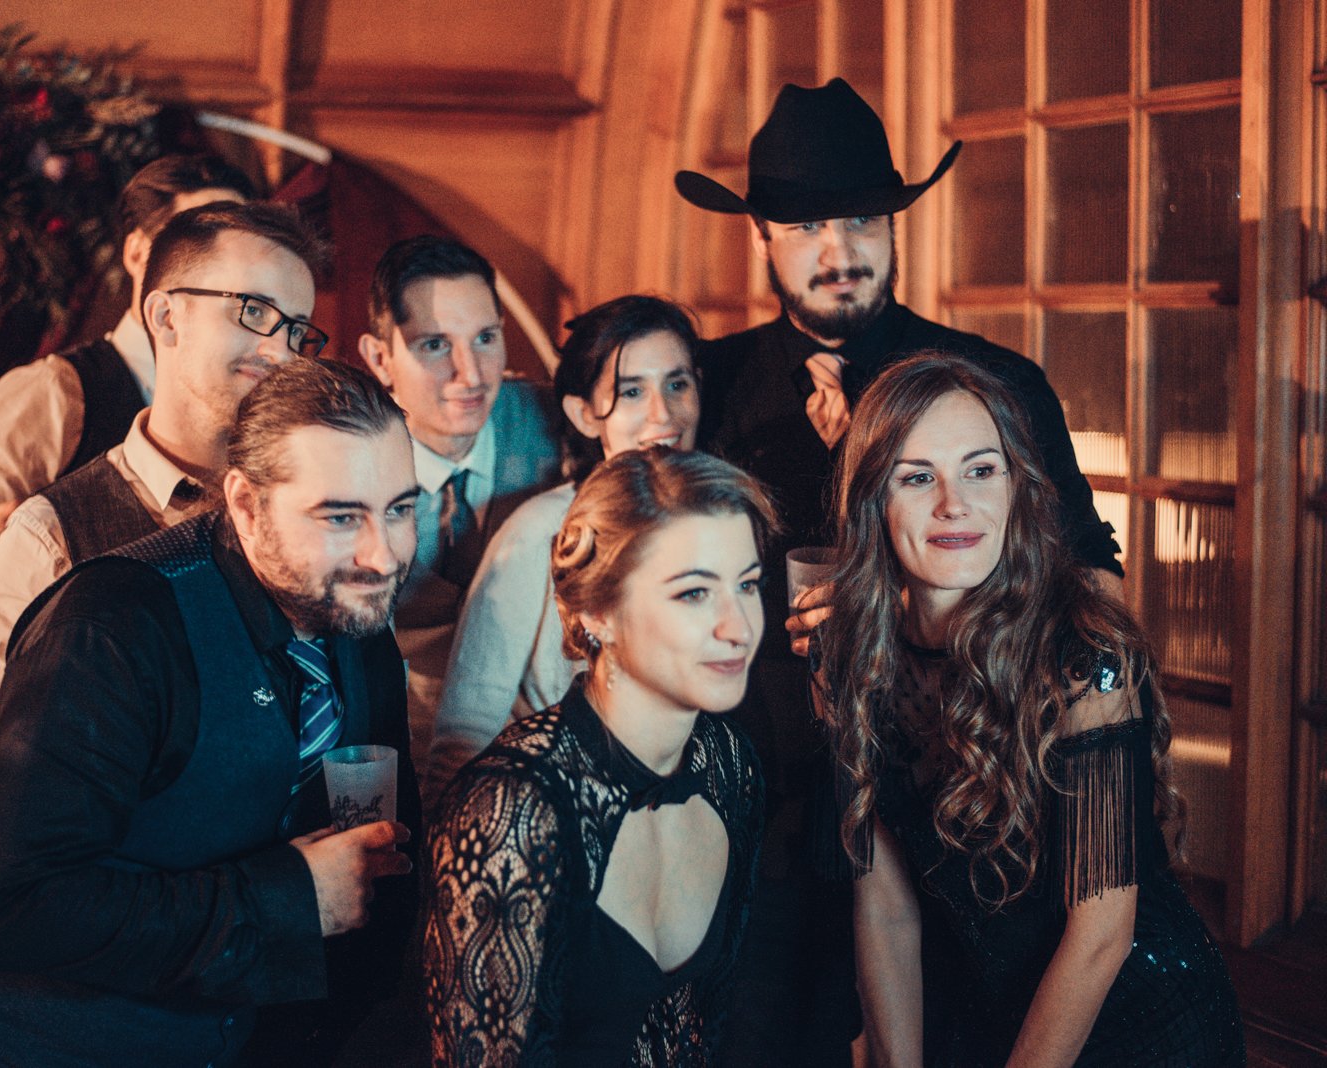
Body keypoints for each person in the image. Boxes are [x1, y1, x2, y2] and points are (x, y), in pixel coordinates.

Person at [674, 77, 1124, 1063]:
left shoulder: (996, 385)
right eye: (805, 226)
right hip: (755, 819)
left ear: (893, 225)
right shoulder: (702, 385)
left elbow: (1091, 592)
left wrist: (911, 604)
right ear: (759, 235)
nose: (838, 250)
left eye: (861, 220)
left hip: (951, 822)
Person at [0, 358, 422, 1067]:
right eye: (340, 516)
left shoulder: (359, 621)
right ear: (245, 506)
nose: (383, 555)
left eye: (400, 510)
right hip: (24, 1043)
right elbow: (12, 910)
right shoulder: (111, 628)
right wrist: (289, 899)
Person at [813, 353, 1242, 1066]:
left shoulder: (1085, 657)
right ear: (872, 502)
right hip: (983, 1012)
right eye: (917, 478)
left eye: (981, 470)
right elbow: (884, 907)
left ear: (1017, 487)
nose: (954, 504)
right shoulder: (846, 655)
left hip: (1134, 1018)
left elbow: (1100, 935)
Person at [0, 200, 330, 798]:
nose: (280, 352)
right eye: (254, 311)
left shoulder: (317, 508)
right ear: (165, 316)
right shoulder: (50, 536)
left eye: (295, 329)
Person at [426, 447, 772, 1066]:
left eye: (746, 585)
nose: (738, 627)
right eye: (694, 593)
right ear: (597, 612)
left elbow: (702, 1030)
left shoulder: (728, 764)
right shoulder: (509, 811)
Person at [0, 153, 256, 614]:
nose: (226, 275)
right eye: (200, 248)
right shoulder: (56, 390)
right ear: (137, 253)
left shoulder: (253, 400)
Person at [427, 294, 703, 794]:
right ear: (584, 414)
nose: (663, 413)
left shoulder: (718, 529)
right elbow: (463, 732)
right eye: (631, 391)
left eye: (677, 384)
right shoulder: (541, 532)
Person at [357, 235, 559, 772]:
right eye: (435, 345)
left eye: (486, 338)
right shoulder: (349, 461)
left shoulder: (555, 424)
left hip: (532, 741)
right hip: (387, 740)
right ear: (380, 358)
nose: (471, 374)